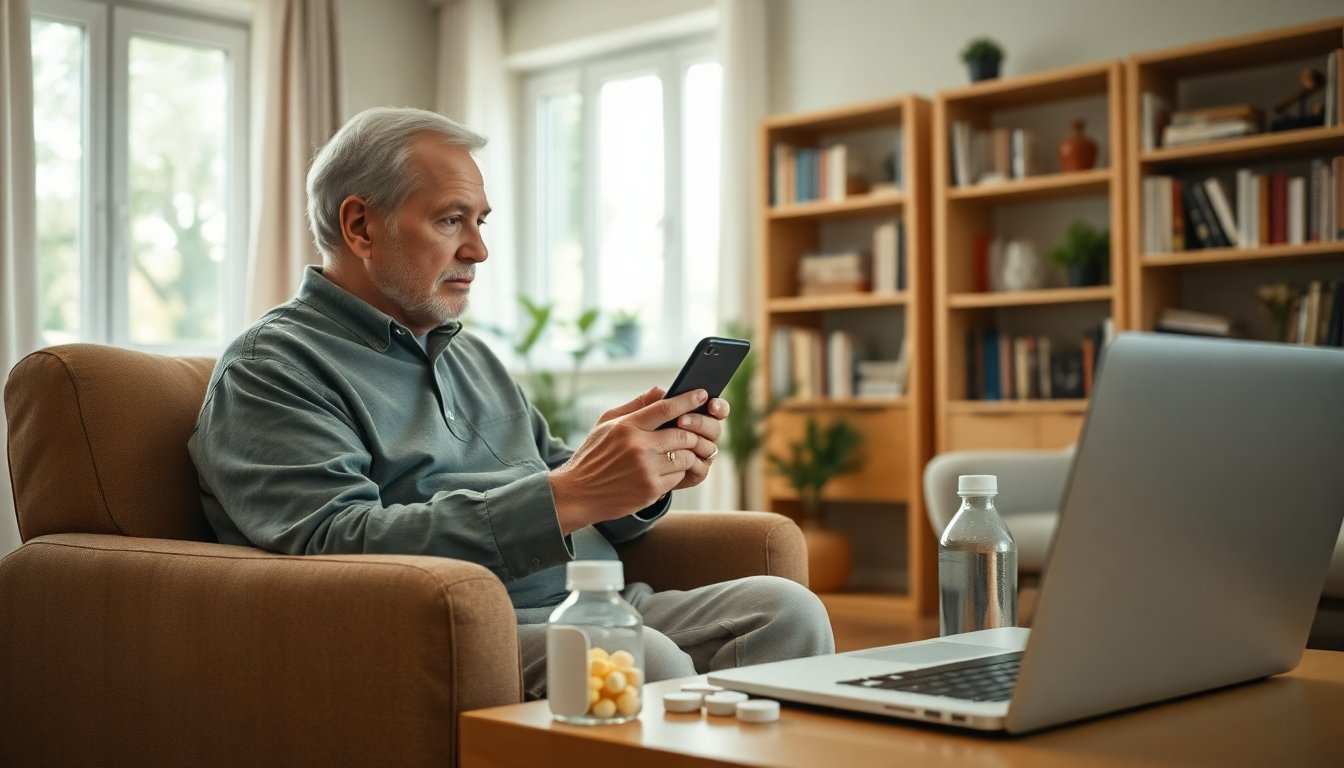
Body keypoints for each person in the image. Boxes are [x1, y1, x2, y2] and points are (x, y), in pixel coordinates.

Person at [189, 106, 833, 698]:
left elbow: (553, 471)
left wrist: (635, 473)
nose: (479, 249)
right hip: (465, 625)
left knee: (785, 612)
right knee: (635, 658)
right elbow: (332, 544)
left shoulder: (471, 355)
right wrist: (568, 493)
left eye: (480, 222)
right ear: (360, 225)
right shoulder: (272, 368)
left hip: (595, 597)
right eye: (450, 220)